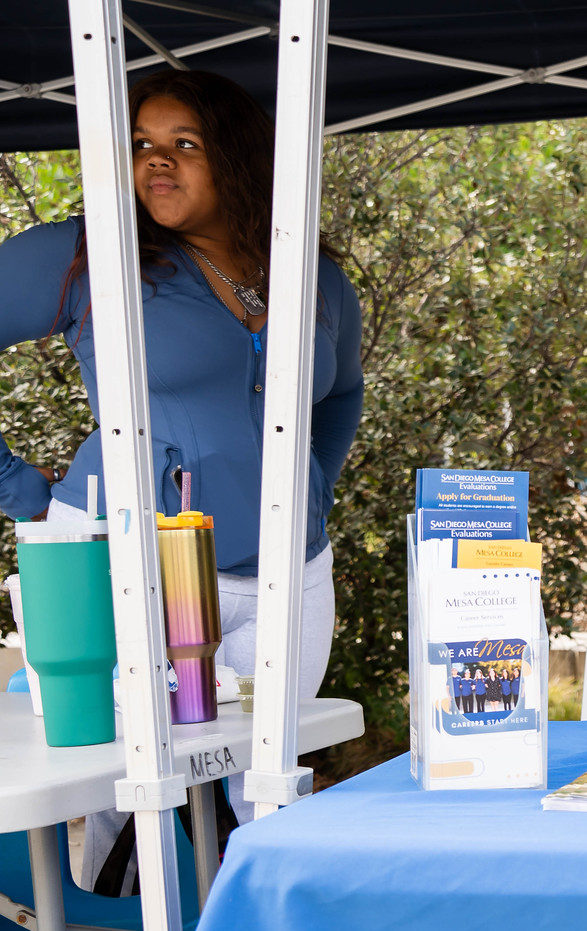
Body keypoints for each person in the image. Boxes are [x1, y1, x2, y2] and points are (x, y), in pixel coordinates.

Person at [0, 69, 363, 870]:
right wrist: (24, 493)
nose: (156, 163)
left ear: (236, 157)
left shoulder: (312, 277)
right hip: (127, 563)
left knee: (263, 794)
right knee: (127, 800)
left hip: (290, 575)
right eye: (141, 146)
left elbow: (342, 397)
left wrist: (311, 490)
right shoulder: (91, 252)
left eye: (183, 145)